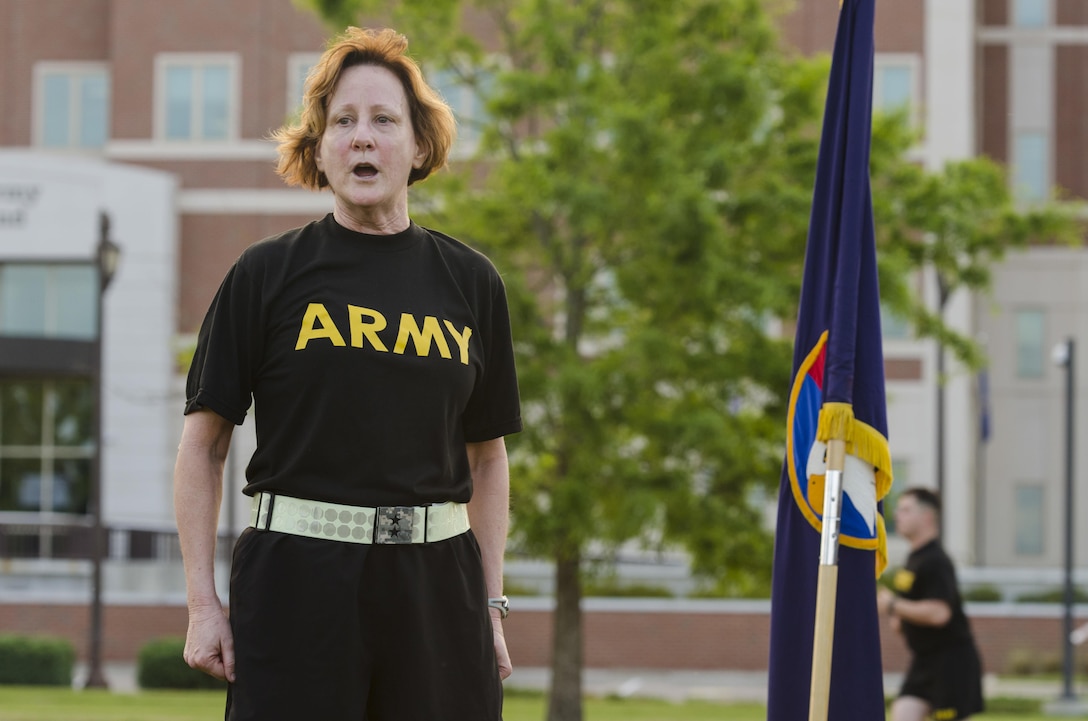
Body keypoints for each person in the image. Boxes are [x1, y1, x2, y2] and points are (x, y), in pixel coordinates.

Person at [173, 26, 521, 721]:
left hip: (435, 590)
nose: (363, 137)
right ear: (320, 149)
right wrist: (202, 603)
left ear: (419, 146)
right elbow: (202, 446)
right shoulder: (264, 276)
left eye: (384, 120)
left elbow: (487, 460)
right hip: (296, 582)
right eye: (343, 122)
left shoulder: (473, 283)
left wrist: (490, 606)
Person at [878, 488, 984, 721]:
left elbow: (939, 613)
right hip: (923, 661)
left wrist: (893, 605)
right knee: (903, 712)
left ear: (927, 517)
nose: (898, 515)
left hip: (951, 663)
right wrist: (899, 616)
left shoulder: (936, 560)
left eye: (906, 510)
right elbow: (907, 609)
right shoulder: (913, 559)